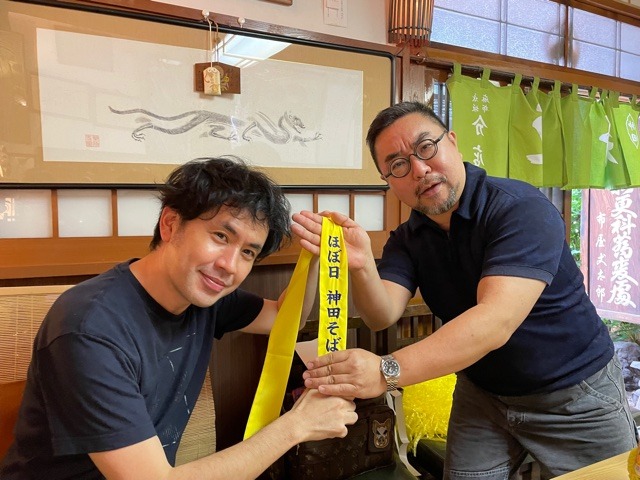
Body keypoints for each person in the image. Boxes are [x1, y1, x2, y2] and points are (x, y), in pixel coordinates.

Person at [293, 101, 638, 479]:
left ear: (453, 142)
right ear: (389, 181)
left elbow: (494, 322)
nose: (419, 169)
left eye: (426, 147)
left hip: (575, 394)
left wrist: (385, 370)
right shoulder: (409, 238)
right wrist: (361, 266)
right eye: (398, 165)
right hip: (483, 394)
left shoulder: (519, 208)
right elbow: (382, 314)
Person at [0, 157, 357, 480]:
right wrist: (296, 426)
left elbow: (283, 317)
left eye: (248, 252)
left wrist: (314, 258)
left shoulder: (203, 296)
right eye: (221, 236)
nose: (229, 266)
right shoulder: (90, 328)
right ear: (170, 224)